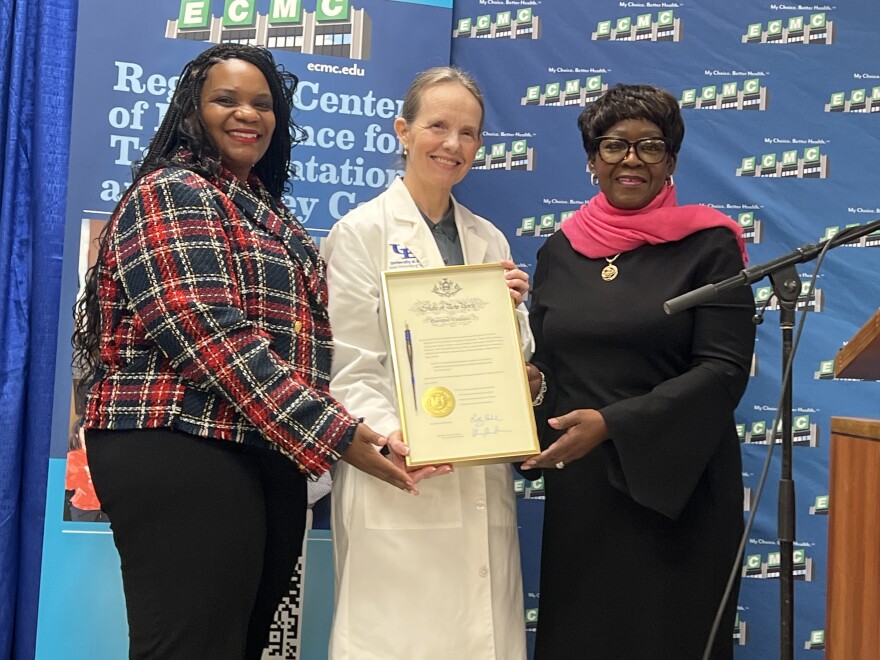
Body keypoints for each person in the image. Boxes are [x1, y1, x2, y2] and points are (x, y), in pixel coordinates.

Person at [71, 43, 414, 660]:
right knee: (190, 646)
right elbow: (207, 332)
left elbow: (321, 335)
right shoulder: (170, 191)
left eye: (262, 103)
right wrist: (335, 433)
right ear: (190, 112)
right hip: (178, 438)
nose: (247, 114)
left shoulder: (266, 211)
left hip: (264, 446)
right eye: (225, 100)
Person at [521, 83, 756, 659]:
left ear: (671, 161)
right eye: (613, 145)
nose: (630, 158)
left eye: (650, 146)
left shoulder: (710, 246)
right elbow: (550, 364)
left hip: (676, 488)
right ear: (592, 161)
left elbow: (723, 370)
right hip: (582, 489)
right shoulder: (559, 251)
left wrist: (614, 424)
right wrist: (528, 387)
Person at [323, 66, 532, 660]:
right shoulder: (360, 232)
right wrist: (393, 433)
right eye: (437, 126)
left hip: (476, 472)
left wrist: (511, 311)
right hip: (401, 471)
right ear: (403, 132)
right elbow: (352, 365)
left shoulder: (489, 240)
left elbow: (507, 364)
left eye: (468, 132)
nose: (452, 144)